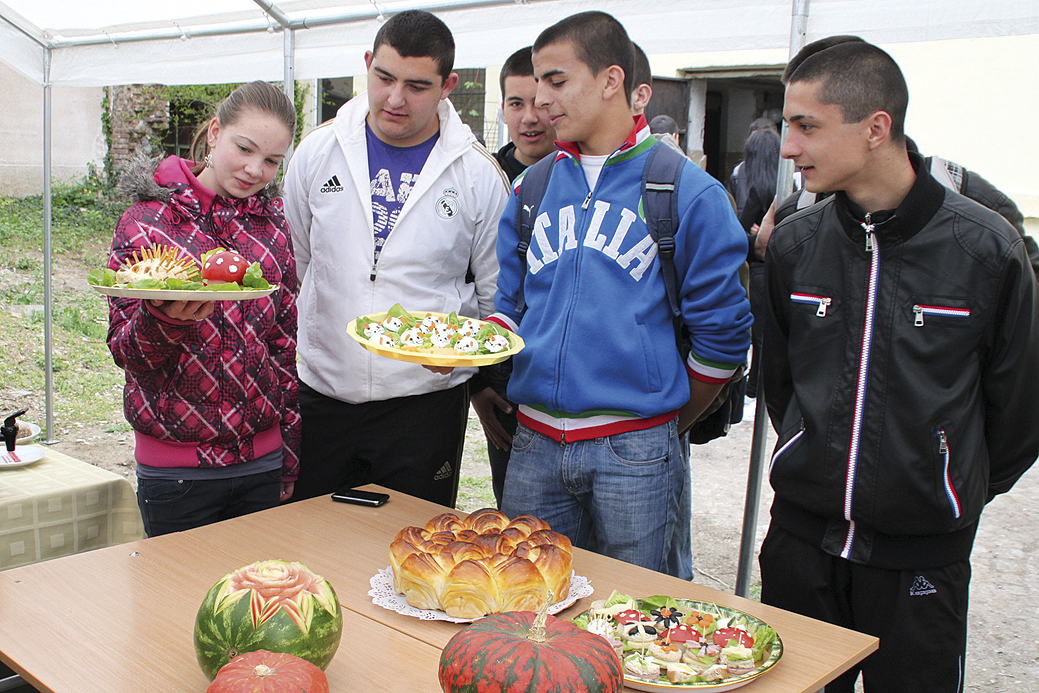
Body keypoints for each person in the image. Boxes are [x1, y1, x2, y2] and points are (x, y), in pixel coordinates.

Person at [760, 37, 1039, 693]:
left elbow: (1019, 408)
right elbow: (780, 384)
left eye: (805, 126)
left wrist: (941, 482)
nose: (786, 146)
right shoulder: (795, 244)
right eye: (786, 125)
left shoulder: (985, 249)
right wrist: (812, 452)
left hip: (922, 557)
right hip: (799, 546)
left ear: (875, 128)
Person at [488, 11, 751, 576]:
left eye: (556, 81)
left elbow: (724, 338)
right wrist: (469, 349)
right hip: (533, 443)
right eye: (536, 83)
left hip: (635, 451)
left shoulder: (687, 190)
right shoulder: (530, 188)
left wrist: (666, 422)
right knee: (532, 615)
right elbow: (509, 307)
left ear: (612, 81)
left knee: (634, 619)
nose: (540, 100)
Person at [283, 10, 509, 507]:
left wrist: (473, 366)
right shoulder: (316, 153)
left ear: (448, 85)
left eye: (417, 86)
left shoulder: (477, 174)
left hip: (424, 402)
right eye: (383, 77)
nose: (395, 98)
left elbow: (499, 293)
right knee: (314, 535)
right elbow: (294, 266)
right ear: (366, 64)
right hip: (322, 392)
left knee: (412, 545)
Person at [106, 81, 300, 537]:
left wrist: (288, 455)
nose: (255, 170)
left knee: (256, 601)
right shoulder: (147, 221)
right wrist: (164, 321)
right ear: (215, 132)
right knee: (174, 605)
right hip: (176, 470)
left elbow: (283, 347)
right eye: (244, 148)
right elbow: (127, 353)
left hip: (262, 462)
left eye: (272, 160)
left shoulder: (273, 226)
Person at [469, 46, 558, 508]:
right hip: (502, 387)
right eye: (515, 103)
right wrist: (478, 386)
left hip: (562, 384)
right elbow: (466, 289)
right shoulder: (485, 180)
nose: (529, 118)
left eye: (540, 103)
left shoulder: (580, 180)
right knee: (518, 517)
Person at [734, 127, 781, 398]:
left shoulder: (755, 189)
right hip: (779, 267)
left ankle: (752, 386)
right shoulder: (787, 186)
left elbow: (739, 231)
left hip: (757, 271)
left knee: (756, 333)